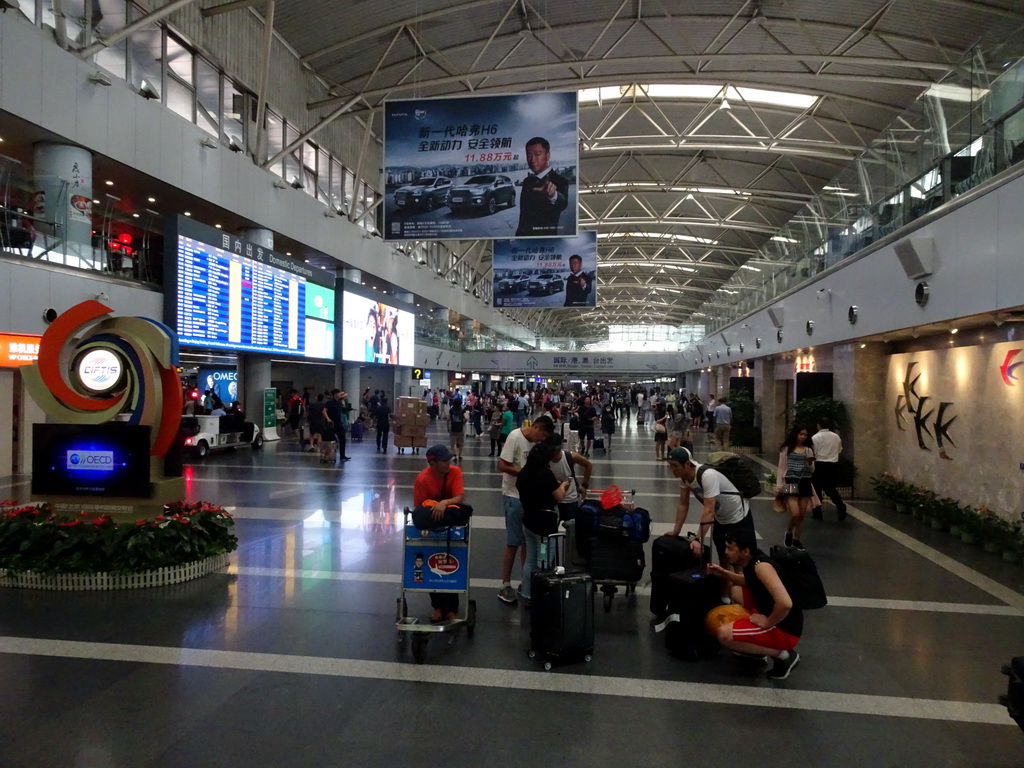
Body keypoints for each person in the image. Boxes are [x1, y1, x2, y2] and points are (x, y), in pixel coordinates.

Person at [706, 528, 802, 680]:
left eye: (731, 549)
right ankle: (756, 650)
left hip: (785, 630)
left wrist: (767, 622)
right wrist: (724, 573)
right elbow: (749, 582)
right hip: (772, 613)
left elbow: (785, 603)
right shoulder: (752, 561)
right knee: (737, 590)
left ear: (745, 551)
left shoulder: (762, 567)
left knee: (724, 635)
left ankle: (784, 655)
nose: (726, 552)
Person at [666, 446, 756, 573]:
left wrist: (698, 540)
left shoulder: (707, 475)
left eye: (675, 465)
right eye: (670, 465)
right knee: (724, 560)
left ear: (687, 464)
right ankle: (726, 592)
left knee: (739, 563)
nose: (672, 469)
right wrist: (676, 531)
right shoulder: (684, 478)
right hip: (721, 519)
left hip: (738, 518)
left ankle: (741, 592)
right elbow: (683, 505)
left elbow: (709, 510)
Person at [496, 415, 556, 604]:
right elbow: (502, 465)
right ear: (536, 427)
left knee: (528, 543)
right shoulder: (515, 437)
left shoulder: (536, 446)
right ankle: (505, 584)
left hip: (530, 499)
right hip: (513, 495)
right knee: (513, 542)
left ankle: (527, 582)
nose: (542, 439)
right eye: (543, 435)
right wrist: (526, 475)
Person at [413, 444, 467, 622]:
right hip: (432, 519)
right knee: (431, 561)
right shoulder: (422, 479)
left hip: (449, 516)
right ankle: (437, 606)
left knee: (452, 559)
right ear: (432, 463)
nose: (448, 463)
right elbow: (419, 507)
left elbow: (459, 498)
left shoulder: (455, 472)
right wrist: (433, 507)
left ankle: (452, 608)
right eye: (444, 461)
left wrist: (443, 504)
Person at [516, 441, 572, 605]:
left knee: (530, 560)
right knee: (545, 561)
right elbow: (559, 496)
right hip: (544, 526)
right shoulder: (545, 474)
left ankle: (527, 593)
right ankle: (542, 595)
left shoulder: (523, 473)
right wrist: (563, 485)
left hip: (528, 521)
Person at [515, 136, 569, 237]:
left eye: (537, 154)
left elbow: (563, 203)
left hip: (546, 242)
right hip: (523, 242)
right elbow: (523, 217)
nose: (532, 160)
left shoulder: (560, 181)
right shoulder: (527, 182)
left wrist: (552, 195)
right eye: (529, 155)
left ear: (548, 155)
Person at [776, 426, 819, 550]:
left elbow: (812, 470)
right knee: (795, 513)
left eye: (805, 435)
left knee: (801, 514)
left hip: (805, 482)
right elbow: (781, 468)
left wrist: (809, 463)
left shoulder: (808, 450)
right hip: (790, 482)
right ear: (795, 434)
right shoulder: (786, 450)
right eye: (800, 434)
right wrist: (779, 485)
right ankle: (789, 532)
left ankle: (797, 539)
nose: (803, 437)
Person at [546, 433, 592, 523]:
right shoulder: (544, 459)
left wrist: (584, 485)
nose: (553, 454)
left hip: (569, 500)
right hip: (551, 500)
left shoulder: (570, 457)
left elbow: (588, 465)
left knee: (570, 529)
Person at [811, 417, 848, 521]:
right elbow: (839, 450)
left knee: (816, 489)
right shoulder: (836, 437)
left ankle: (817, 513)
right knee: (831, 489)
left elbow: (814, 452)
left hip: (819, 465)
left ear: (819, 425)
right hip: (832, 465)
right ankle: (841, 507)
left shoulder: (815, 437)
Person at [448, 398, 468, 462]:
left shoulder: (451, 410)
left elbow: (448, 419)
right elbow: (466, 417)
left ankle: (455, 455)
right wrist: (464, 422)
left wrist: (447, 427)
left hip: (453, 428)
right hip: (460, 428)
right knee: (460, 442)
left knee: (453, 443)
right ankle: (460, 455)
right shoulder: (462, 410)